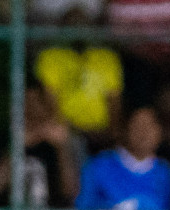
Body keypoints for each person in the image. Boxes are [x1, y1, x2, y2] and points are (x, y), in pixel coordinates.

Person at [72, 105, 170, 210]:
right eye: (138, 126)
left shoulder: (165, 172)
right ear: (125, 130)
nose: (144, 133)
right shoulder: (98, 166)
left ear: (159, 132)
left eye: (149, 126)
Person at [33, 7, 123, 146]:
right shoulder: (50, 56)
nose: (78, 29)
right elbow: (50, 98)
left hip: (100, 131)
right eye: (72, 25)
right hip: (67, 131)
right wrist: (64, 129)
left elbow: (114, 99)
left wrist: (113, 132)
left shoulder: (106, 56)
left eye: (82, 25)